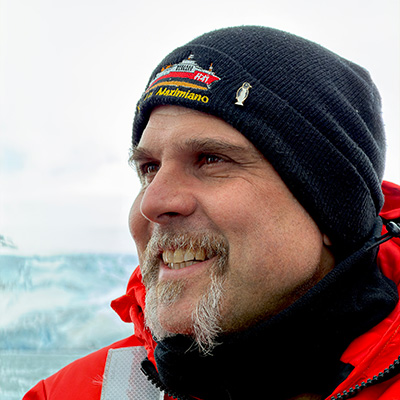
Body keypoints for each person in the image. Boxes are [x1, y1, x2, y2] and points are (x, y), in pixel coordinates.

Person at [24, 26, 400, 400]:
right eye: (149, 168)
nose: (152, 204)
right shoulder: (68, 394)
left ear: (334, 210)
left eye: (210, 159)